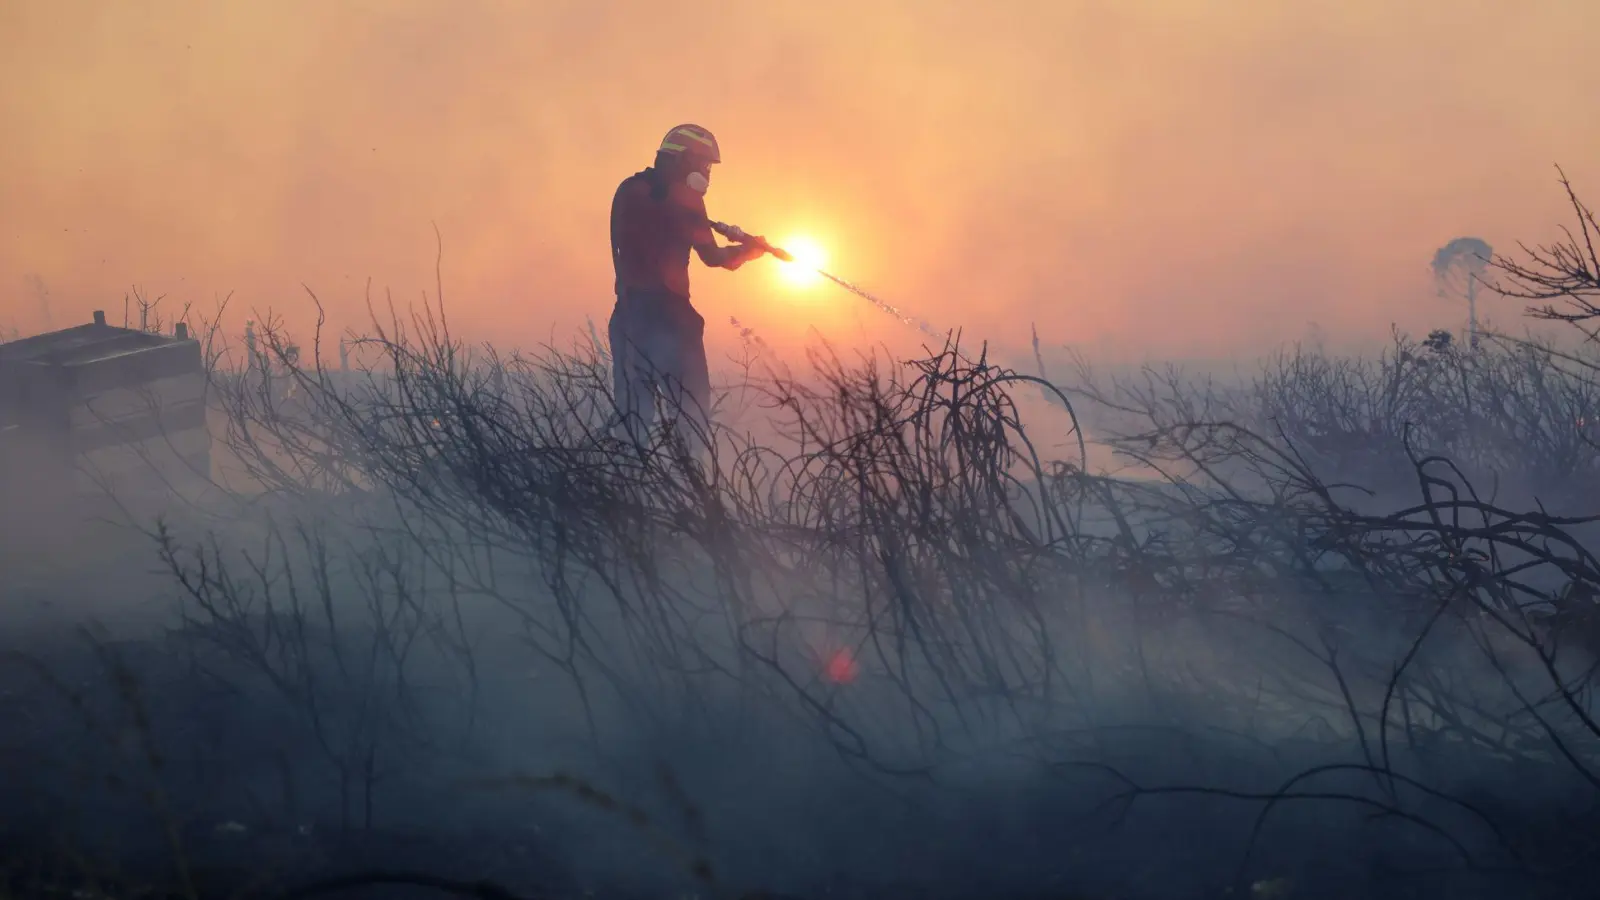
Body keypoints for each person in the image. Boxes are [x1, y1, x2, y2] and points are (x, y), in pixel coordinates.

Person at [607, 123, 771, 447]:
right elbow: (714, 257)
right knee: (692, 419)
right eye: (705, 165)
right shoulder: (684, 198)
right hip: (671, 322)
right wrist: (750, 251)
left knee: (632, 419)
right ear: (684, 161)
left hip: (629, 317)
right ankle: (690, 491)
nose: (708, 174)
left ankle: (622, 486)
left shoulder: (630, 189)